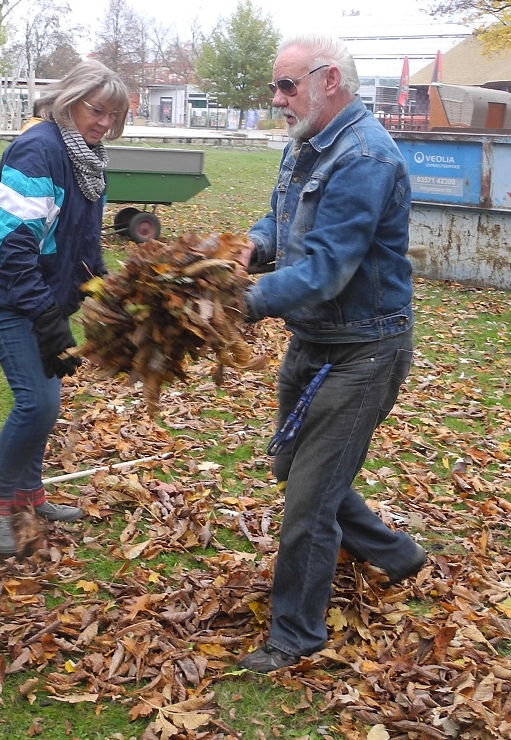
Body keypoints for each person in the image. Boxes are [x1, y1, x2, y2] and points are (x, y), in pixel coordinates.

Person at [236, 34, 427, 672]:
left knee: (311, 498)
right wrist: (252, 250)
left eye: (288, 86)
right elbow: (280, 222)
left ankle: (295, 634)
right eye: (276, 86)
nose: (277, 98)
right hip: (314, 337)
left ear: (331, 81)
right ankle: (396, 554)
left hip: (364, 349)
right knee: (295, 465)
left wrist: (242, 301)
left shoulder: (366, 157)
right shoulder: (307, 144)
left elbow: (325, 268)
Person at [0, 60, 130, 557]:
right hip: (8, 293)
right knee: (34, 402)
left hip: (47, 295)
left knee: (48, 403)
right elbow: (14, 244)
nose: (103, 123)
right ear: (70, 100)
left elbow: (81, 242)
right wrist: (44, 318)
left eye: (113, 117)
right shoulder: (40, 149)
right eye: (96, 110)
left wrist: (103, 289)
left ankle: (27, 494)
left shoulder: (86, 157)